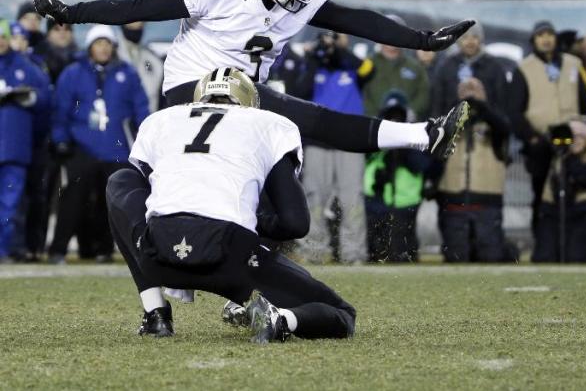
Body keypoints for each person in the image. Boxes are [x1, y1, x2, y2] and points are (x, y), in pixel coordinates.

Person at [32, 0, 472, 163]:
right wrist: (72, 13)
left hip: (244, 93)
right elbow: (139, 7)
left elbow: (353, 19)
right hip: (192, 87)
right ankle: (422, 135)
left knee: (278, 166)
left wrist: (421, 41)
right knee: (305, 118)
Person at [108, 67, 356, 341]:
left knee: (120, 180)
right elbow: (295, 223)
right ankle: (279, 319)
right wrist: (255, 220)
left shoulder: (162, 120)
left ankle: (155, 313)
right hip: (232, 261)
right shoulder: (267, 124)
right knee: (341, 313)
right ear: (249, 101)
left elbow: (146, 189)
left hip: (159, 255)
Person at [48, 25, 150, 264]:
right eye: (98, 43)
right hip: (81, 145)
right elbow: (60, 110)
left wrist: (147, 140)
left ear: (113, 47)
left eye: (107, 44)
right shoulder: (73, 73)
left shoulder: (128, 73)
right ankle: (58, 249)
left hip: (116, 148)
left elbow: (141, 110)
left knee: (114, 203)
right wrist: (61, 139)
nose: (103, 48)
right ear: (90, 47)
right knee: (72, 199)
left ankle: (105, 249)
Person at [270, 32, 369, 265]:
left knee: (352, 199)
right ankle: (313, 252)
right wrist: (315, 57)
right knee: (314, 198)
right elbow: (298, 91)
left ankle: (353, 255)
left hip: (350, 142)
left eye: (339, 37)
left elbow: (369, 70)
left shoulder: (354, 67)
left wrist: (338, 48)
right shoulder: (312, 68)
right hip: (317, 142)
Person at [431, 22, 513, 262]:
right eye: (465, 37)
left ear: (481, 40)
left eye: (475, 37)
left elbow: (504, 119)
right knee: (455, 251)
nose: (470, 41)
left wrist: (482, 107)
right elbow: (436, 108)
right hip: (453, 174)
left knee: (490, 250)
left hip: (486, 163)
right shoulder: (446, 67)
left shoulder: (494, 68)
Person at [516, 21, 586, 218]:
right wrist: (532, 138)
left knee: (575, 193)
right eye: (540, 35)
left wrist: (582, 132)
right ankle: (544, 244)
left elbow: (585, 102)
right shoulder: (524, 68)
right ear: (533, 40)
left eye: (549, 35)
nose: (545, 40)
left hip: (573, 143)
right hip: (541, 145)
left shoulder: (573, 64)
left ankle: (570, 244)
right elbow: (515, 110)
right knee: (542, 196)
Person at [0, 20, 50, 263]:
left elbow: (46, 98)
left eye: (3, 36)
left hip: (14, 147)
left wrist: (29, 98)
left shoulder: (26, 66)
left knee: (11, 204)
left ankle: (6, 250)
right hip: (14, 145)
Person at [365, 91, 429, 262]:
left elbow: (425, 166)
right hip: (377, 200)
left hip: (404, 202)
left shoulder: (415, 138)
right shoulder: (374, 138)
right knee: (377, 250)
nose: (394, 121)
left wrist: (404, 150)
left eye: (398, 116)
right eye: (390, 116)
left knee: (402, 251)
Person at [531, 119, 586, 263]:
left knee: (575, 257)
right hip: (554, 213)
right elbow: (536, 161)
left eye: (580, 136)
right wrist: (550, 140)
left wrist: (571, 158)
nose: (576, 140)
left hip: (581, 214)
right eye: (572, 136)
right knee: (544, 257)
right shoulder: (555, 155)